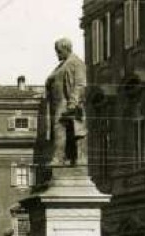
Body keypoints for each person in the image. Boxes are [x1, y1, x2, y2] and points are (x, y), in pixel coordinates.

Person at [45, 37, 88, 167]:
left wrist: (73, 103)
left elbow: (80, 84)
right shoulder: (63, 64)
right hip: (58, 103)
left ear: (66, 49)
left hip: (67, 103)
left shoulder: (76, 63)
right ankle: (63, 158)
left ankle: (60, 158)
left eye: (58, 51)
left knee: (62, 129)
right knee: (59, 130)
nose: (57, 54)